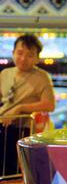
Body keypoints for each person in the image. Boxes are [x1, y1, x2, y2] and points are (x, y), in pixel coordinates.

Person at [0, 34, 55, 175]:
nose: (23, 58)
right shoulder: (5, 73)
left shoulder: (41, 77)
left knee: (14, 170)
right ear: (13, 53)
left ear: (37, 58)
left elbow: (49, 104)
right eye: (19, 53)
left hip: (22, 129)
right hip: (2, 124)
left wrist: (20, 108)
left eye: (30, 55)